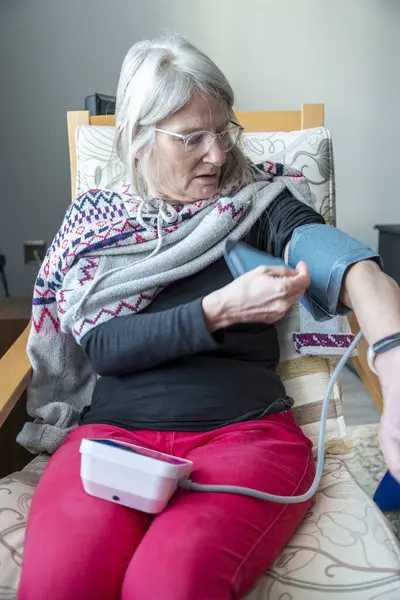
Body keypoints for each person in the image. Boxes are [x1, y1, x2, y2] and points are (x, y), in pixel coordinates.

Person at [18, 34, 400, 600]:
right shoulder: (96, 225)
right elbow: (106, 347)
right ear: (138, 138)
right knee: (61, 586)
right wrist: (218, 310)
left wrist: (395, 369)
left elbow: (360, 274)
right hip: (110, 440)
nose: (218, 155)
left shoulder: (256, 201)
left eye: (223, 131)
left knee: (169, 585)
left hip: (246, 439)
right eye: (192, 137)